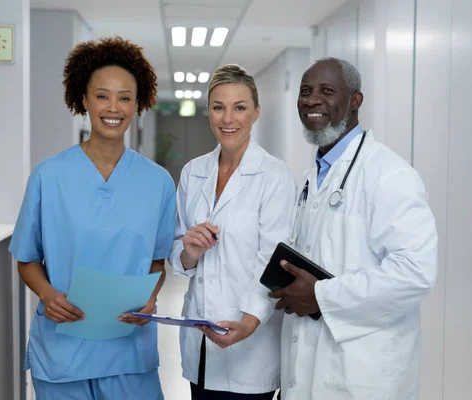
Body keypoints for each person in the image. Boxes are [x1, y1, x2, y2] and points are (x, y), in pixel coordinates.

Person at [9, 37, 175, 399]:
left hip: (129, 351)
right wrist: (48, 294)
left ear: (137, 104)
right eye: (102, 95)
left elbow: (158, 261)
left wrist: (151, 297)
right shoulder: (48, 175)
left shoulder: (158, 181)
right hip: (63, 352)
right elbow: (26, 259)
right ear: (83, 100)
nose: (113, 107)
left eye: (125, 97)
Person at [270, 57, 438, 399]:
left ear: (355, 101)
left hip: (364, 371)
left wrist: (320, 296)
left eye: (327, 91)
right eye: (305, 91)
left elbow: (415, 272)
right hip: (310, 364)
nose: (312, 100)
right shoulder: (312, 176)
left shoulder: (390, 174)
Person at [169, 64, 296, 399]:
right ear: (208, 112)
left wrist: (251, 320)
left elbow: (274, 260)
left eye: (239, 107)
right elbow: (178, 252)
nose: (228, 119)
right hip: (200, 341)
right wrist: (190, 252)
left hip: (251, 343)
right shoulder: (193, 172)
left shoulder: (274, 176)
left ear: (255, 112)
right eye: (218, 107)